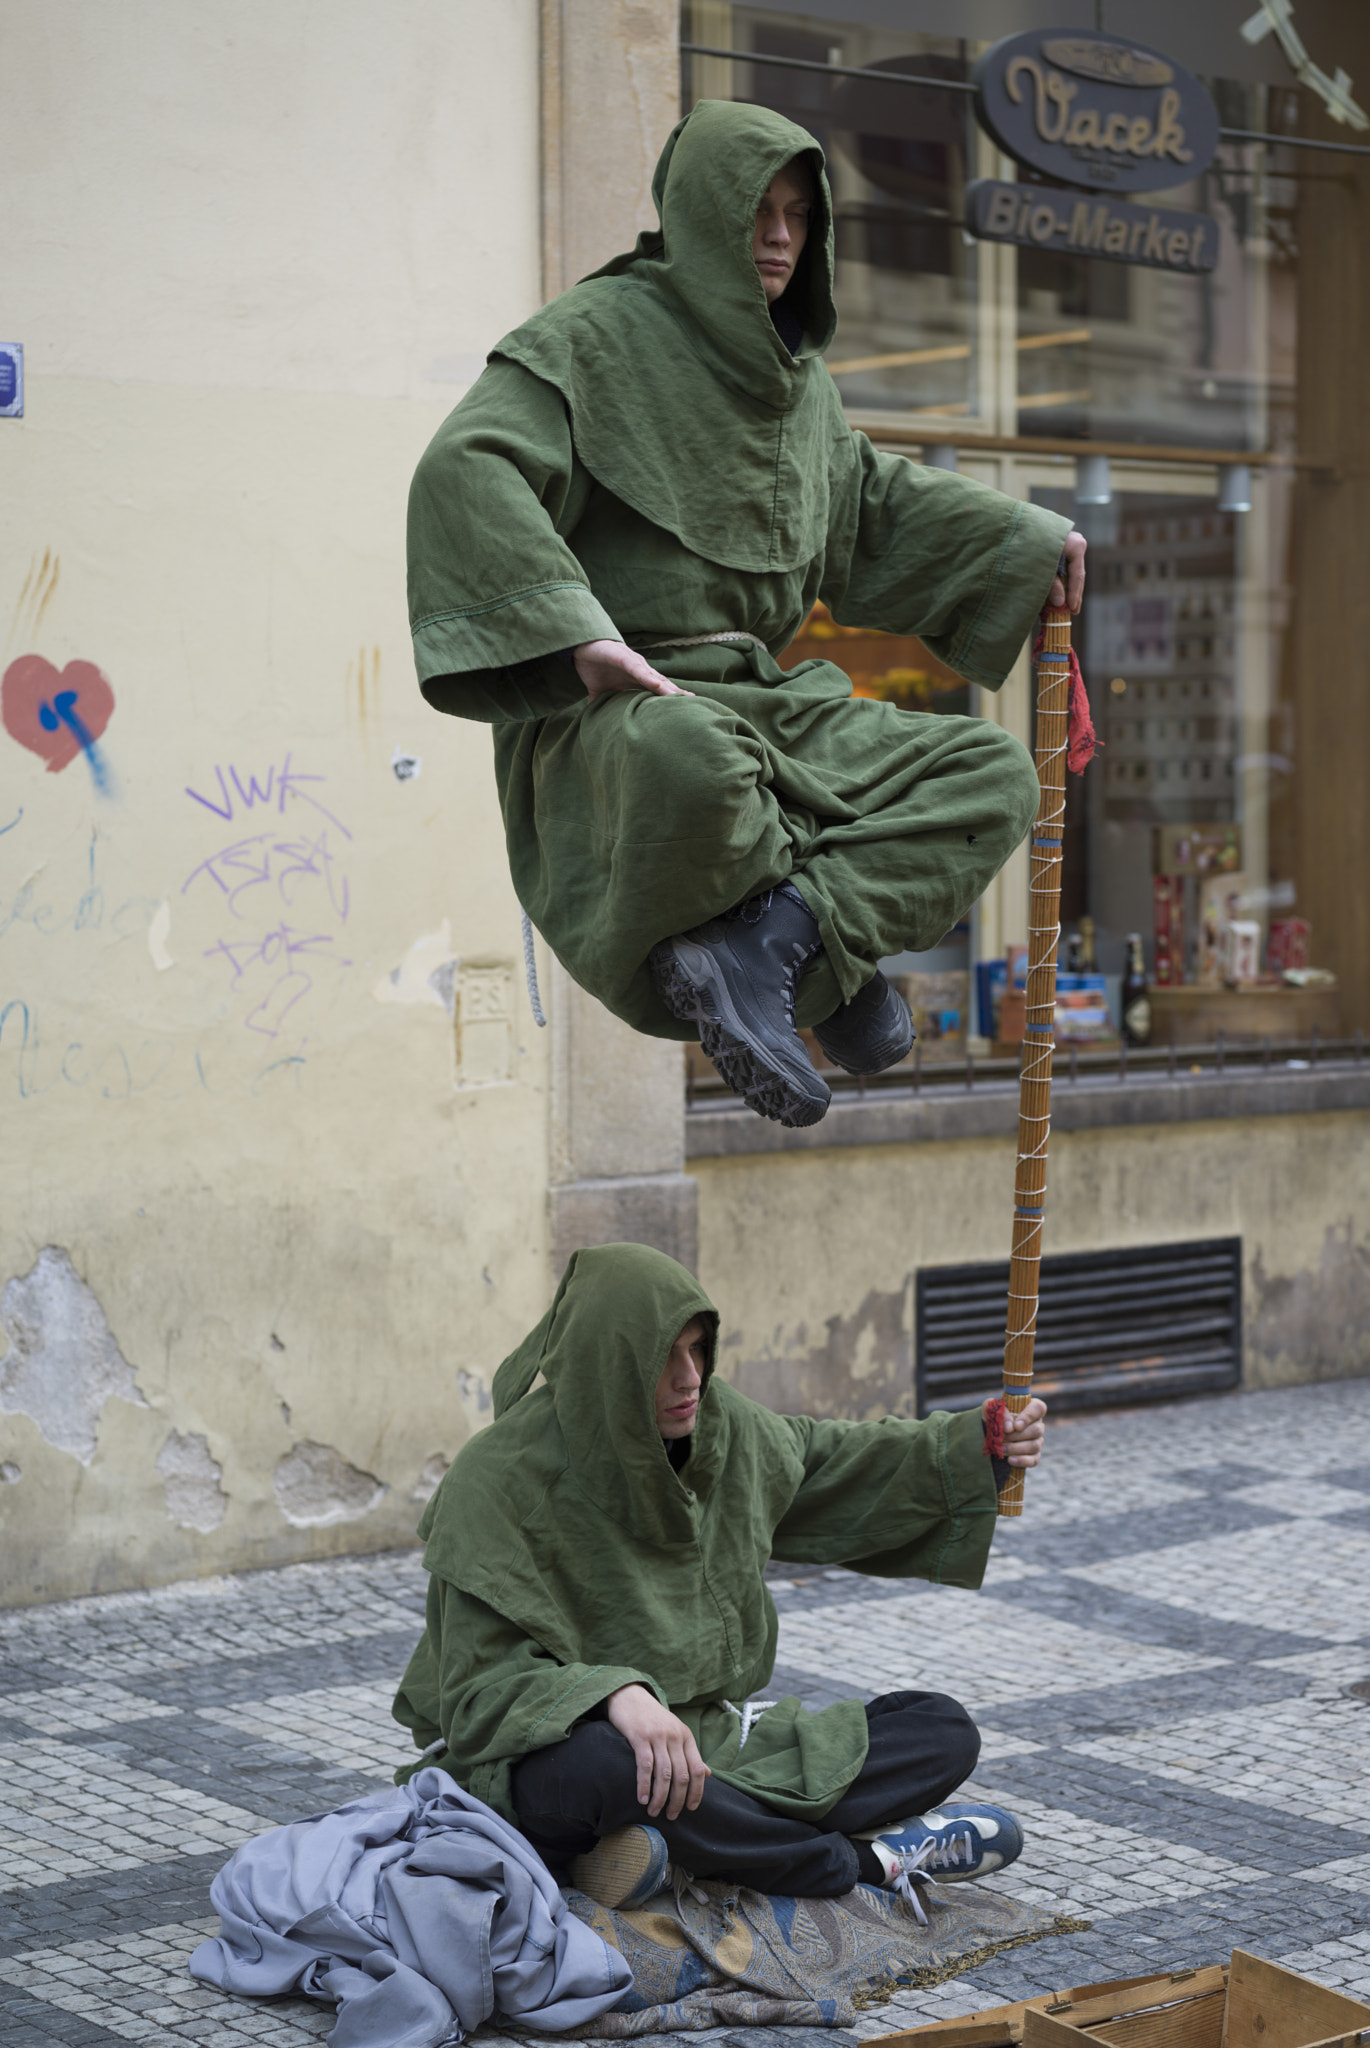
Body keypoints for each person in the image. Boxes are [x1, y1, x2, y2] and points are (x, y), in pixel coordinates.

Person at [406, 100, 1085, 1128]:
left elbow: (866, 509)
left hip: (772, 703)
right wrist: (580, 637)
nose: (776, 236)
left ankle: (777, 949)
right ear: (698, 215)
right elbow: (469, 468)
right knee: (698, 764)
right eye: (754, 212)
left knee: (991, 775)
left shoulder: (801, 389)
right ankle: (823, 976)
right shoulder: (589, 338)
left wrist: (1026, 546)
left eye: (796, 215)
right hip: (627, 706)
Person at [393, 1243, 1048, 1917]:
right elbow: (478, 1695)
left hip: (708, 1744)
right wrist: (612, 1695)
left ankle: (665, 1845)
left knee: (941, 1728)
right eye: (663, 1358)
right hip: (561, 1754)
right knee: (605, 1768)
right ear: (609, 1362)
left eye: (699, 1349)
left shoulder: (722, 1428)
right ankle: (857, 1861)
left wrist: (974, 1447)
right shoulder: (494, 1480)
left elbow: (826, 1463)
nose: (690, 1378)